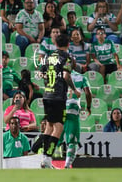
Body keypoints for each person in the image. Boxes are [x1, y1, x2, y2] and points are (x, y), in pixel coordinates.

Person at [40, 33, 78, 168]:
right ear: (68, 44)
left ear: (56, 44)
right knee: (58, 128)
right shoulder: (67, 57)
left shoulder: (48, 56)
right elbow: (67, 75)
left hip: (47, 95)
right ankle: (48, 157)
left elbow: (42, 74)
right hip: (58, 97)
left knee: (49, 126)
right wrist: (75, 89)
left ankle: (45, 158)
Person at [60, 69, 92, 169]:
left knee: (56, 138)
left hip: (59, 108)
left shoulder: (57, 74)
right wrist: (88, 107)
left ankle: (50, 162)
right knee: (72, 141)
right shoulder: (82, 77)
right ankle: (67, 165)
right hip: (72, 109)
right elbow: (88, 93)